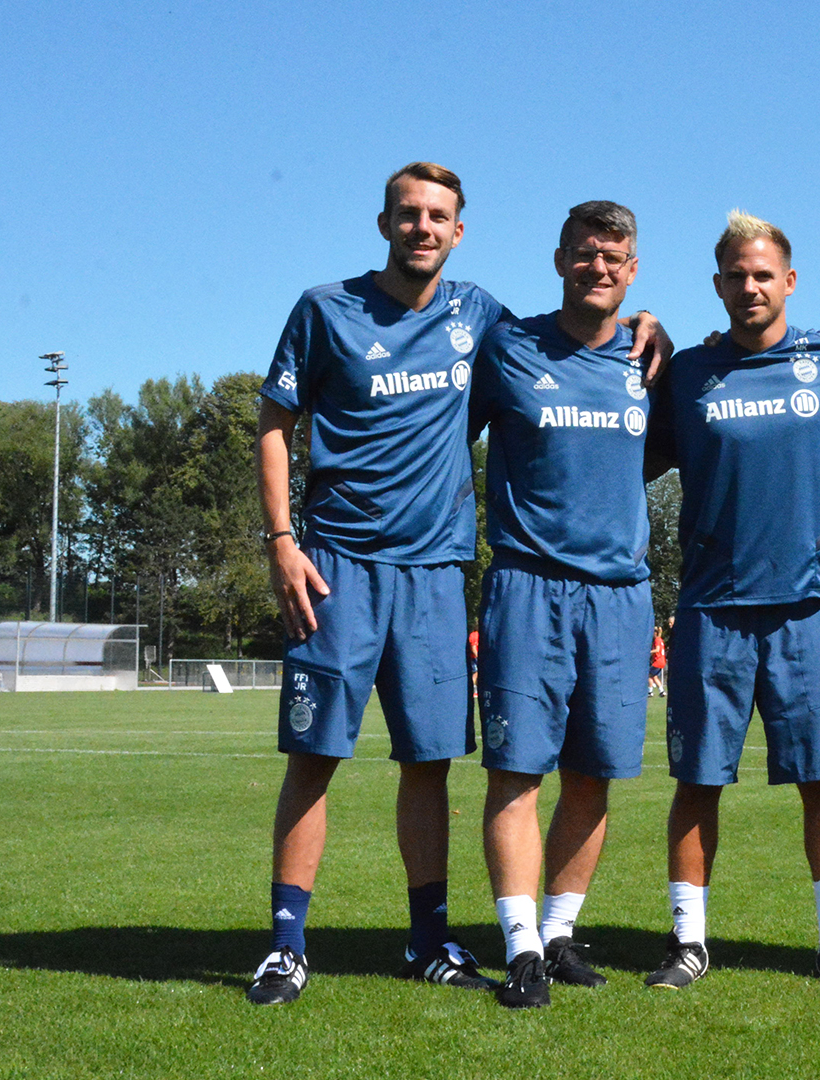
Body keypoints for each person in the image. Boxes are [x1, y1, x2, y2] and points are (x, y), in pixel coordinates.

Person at [248, 166, 665, 1007]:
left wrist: (645, 323)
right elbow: (275, 424)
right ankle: (287, 945)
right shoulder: (325, 308)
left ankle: (429, 939)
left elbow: (581, 334)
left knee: (430, 762)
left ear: (459, 231)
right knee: (315, 756)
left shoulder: (479, 317)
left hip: (438, 568)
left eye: (438, 216)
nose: (423, 227)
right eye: (410, 214)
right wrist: (284, 540)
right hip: (336, 566)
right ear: (385, 223)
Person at [641, 210, 820, 991]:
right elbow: (622, 451)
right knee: (699, 781)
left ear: (789, 281)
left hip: (807, 608)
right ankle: (687, 942)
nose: (750, 286)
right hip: (712, 610)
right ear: (718, 285)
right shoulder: (685, 376)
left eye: (763, 274)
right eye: (736, 276)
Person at [472, 201, 671, 1009]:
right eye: (586, 254)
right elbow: (442, 432)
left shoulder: (652, 357)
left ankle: (559, 933)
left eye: (614, 257)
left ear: (633, 270)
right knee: (517, 773)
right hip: (527, 587)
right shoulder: (510, 348)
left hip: (621, 594)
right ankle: (519, 947)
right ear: (560, 260)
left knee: (594, 775)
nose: (599, 267)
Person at [648, 625, 667, 697]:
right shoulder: (660, 639)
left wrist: (648, 652)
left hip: (658, 661)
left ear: (655, 633)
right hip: (662, 661)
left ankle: (650, 692)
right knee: (654, 677)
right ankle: (662, 691)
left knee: (649, 675)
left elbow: (657, 650)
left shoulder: (657, 640)